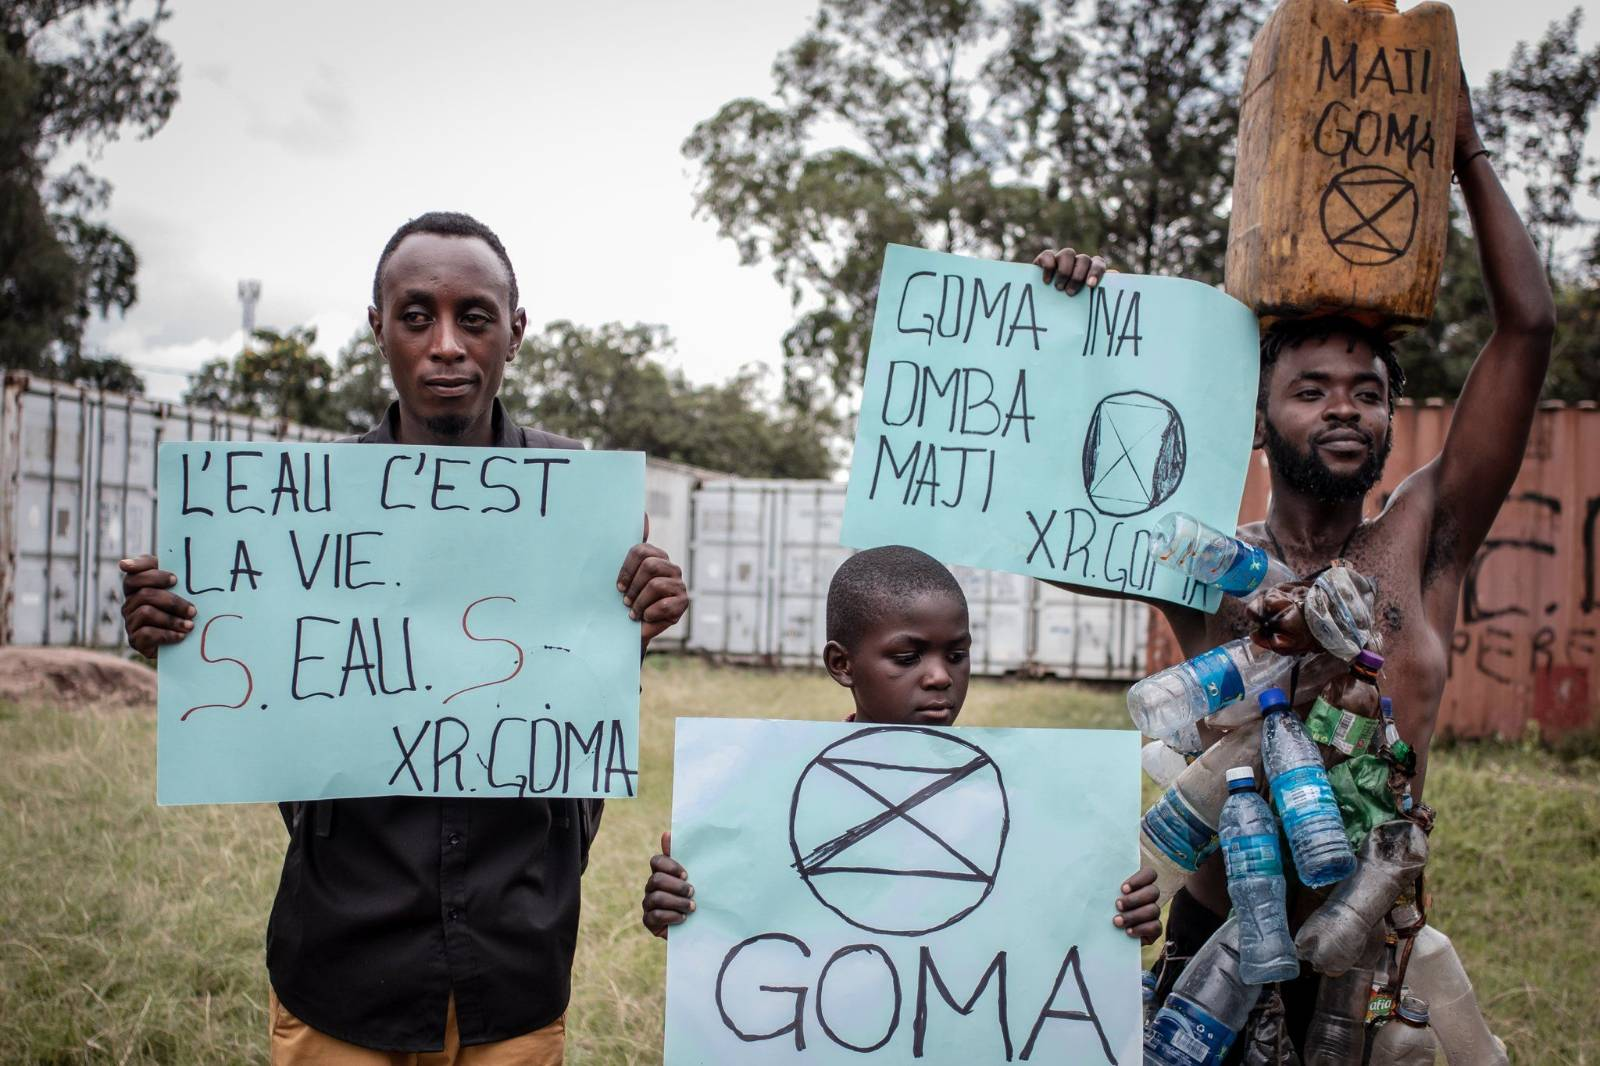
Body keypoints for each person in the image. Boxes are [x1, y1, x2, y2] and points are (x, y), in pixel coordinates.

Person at [1033, 69, 1554, 1049]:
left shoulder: (1425, 538)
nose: (1344, 406)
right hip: (1211, 942)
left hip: (1370, 957)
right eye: (1311, 389)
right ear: (1259, 422)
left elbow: (1527, 330)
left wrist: (1468, 155)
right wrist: (1075, 329)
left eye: (1365, 390)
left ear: (1392, 418)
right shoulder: (1202, 561)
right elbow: (1044, 523)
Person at [119, 211, 690, 1065]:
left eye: (476, 317)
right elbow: (261, 700)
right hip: (342, 964)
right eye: (417, 316)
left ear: (516, 332)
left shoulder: (586, 502)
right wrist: (174, 634)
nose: (447, 344)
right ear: (378, 328)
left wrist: (633, 627)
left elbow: (575, 706)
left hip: (516, 965)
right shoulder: (294, 514)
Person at [638, 544, 1164, 944]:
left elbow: (1053, 927)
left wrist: (1120, 917)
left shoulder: (1032, 799)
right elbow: (742, 925)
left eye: (957, 655)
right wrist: (684, 912)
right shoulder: (764, 798)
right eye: (908, 657)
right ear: (841, 664)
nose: (939, 677)